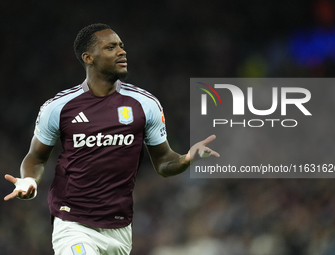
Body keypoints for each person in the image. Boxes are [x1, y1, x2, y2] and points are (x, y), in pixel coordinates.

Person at [4, 23, 219, 255]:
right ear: (88, 58)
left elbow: (164, 162)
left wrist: (187, 158)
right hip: (73, 223)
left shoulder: (145, 104)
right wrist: (29, 180)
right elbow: (35, 158)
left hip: (120, 228)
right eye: (110, 47)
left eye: (121, 46)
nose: (121, 51)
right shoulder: (58, 107)